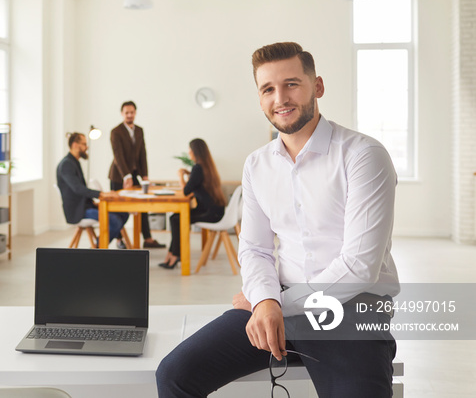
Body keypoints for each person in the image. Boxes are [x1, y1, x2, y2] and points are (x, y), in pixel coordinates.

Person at [156, 42, 400, 397]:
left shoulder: (364, 155)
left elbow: (360, 266)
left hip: (349, 310)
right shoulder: (257, 164)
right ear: (260, 98)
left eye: (291, 84)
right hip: (276, 304)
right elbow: (254, 248)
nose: (280, 98)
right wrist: (266, 300)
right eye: (268, 89)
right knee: (175, 374)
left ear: (317, 87)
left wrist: (271, 304)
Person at [159, 139, 225, 270]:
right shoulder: (206, 166)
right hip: (216, 211)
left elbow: (185, 191)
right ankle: (173, 254)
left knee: (176, 219)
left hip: (211, 214)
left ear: (195, 152)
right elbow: (196, 186)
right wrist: (189, 174)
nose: (188, 152)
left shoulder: (198, 168)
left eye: (190, 149)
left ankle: (175, 255)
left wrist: (180, 176)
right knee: (175, 218)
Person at [109, 100, 165, 249]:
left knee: (143, 204)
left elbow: (142, 154)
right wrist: (126, 176)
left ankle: (148, 238)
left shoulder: (139, 130)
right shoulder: (116, 131)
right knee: (118, 209)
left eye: (132, 112)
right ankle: (119, 240)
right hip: (118, 176)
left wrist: (145, 176)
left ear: (135, 113)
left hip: (135, 174)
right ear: (122, 114)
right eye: (126, 112)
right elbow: (118, 155)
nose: (129, 115)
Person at [57, 132, 129, 245]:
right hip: (78, 211)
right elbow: (78, 189)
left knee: (124, 213)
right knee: (114, 220)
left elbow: (81, 190)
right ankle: (99, 247)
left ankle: (98, 245)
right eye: (84, 144)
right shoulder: (67, 164)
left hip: (85, 207)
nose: (87, 147)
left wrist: (94, 203)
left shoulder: (74, 162)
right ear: (75, 145)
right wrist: (102, 194)